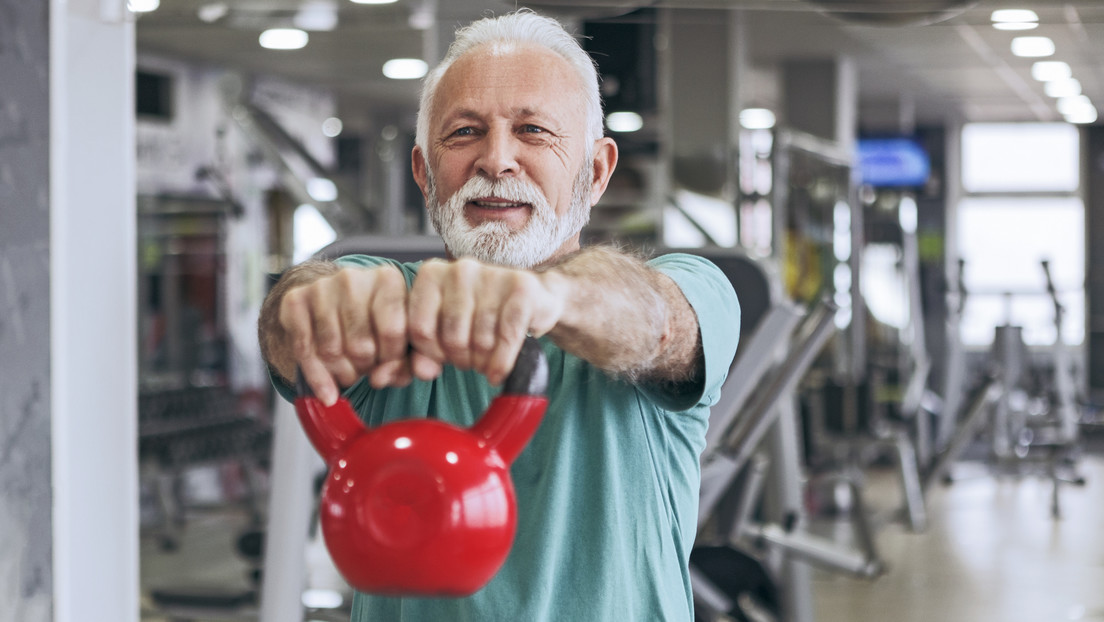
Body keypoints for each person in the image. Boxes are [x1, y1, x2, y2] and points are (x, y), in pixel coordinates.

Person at [257, 9, 741, 621]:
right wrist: (309, 307)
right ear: (423, 174)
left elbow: (655, 320)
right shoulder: (391, 299)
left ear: (595, 173)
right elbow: (294, 322)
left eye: (533, 131)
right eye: (464, 133)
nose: (496, 159)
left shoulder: (690, 287)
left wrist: (545, 299)